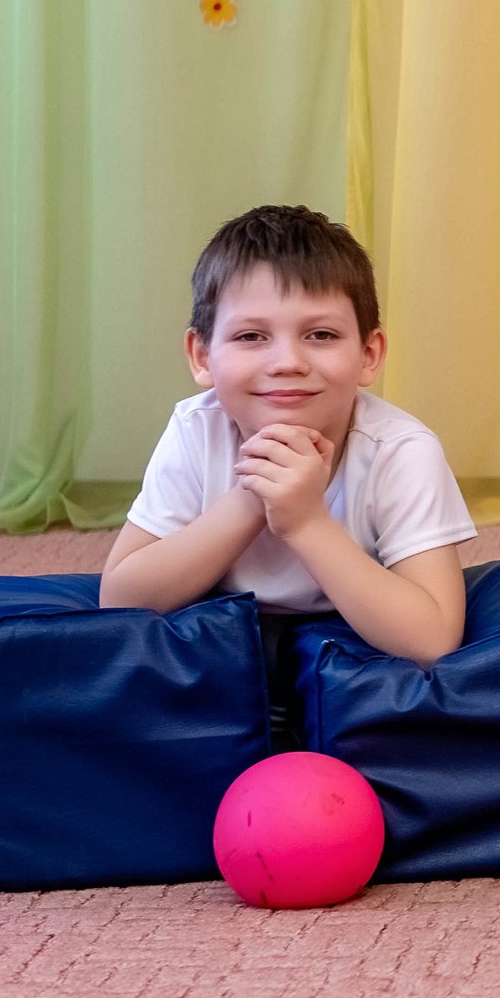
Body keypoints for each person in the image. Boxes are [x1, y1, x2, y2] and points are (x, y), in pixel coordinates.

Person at [101, 205, 475, 667]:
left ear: (369, 354)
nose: (287, 362)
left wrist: (306, 522)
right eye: (251, 337)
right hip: (223, 641)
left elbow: (432, 638)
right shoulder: (197, 428)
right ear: (202, 356)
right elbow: (120, 599)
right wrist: (253, 497)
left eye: (320, 334)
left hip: (349, 647)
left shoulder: (401, 450)